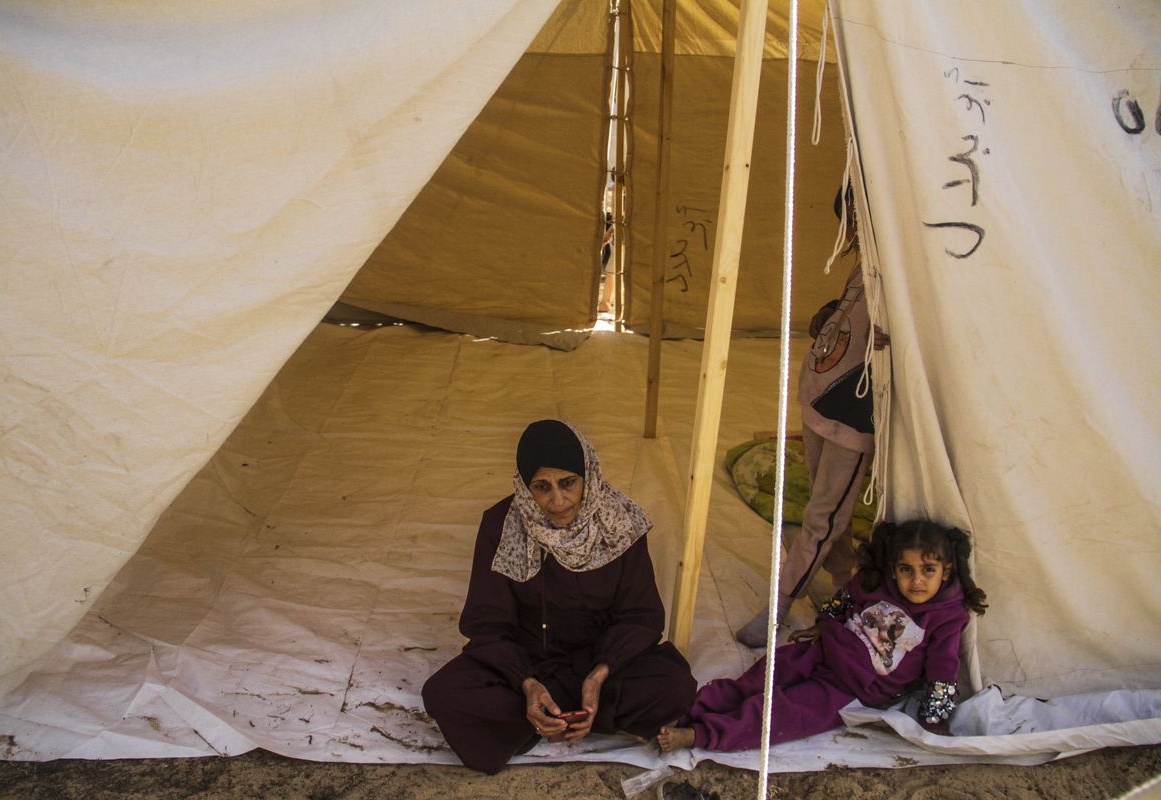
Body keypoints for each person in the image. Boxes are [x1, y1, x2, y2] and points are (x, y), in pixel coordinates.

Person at [422, 419, 696, 774]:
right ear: (525, 487)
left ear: (587, 475)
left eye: (568, 483)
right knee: (443, 693)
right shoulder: (501, 525)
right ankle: (553, 713)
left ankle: (554, 718)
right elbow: (487, 623)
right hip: (528, 664)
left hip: (601, 665)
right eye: (541, 487)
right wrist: (528, 684)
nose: (557, 500)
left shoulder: (620, 521)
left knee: (674, 685)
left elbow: (641, 616)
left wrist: (598, 676)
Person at [658, 519, 988, 752]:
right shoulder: (879, 584)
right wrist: (824, 622)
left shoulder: (947, 616)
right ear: (894, 569)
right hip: (822, 651)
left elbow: (942, 671)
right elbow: (845, 598)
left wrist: (934, 720)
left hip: (850, 687)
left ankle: (700, 735)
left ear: (945, 572)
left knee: (783, 713)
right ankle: (691, 711)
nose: (917, 581)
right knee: (756, 680)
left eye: (928, 570)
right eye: (907, 570)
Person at [736, 184, 889, 647]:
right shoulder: (865, 268)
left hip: (851, 413)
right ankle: (846, 587)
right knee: (827, 516)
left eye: (861, 217)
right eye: (851, 220)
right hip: (821, 398)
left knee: (823, 520)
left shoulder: (901, 275)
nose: (856, 228)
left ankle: (778, 609)